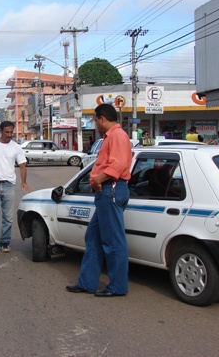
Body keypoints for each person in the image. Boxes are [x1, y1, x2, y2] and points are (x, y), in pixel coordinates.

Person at [66, 103, 132, 297]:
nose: (95, 124)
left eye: (95, 120)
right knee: (93, 238)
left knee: (113, 242)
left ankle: (118, 286)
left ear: (102, 118)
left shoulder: (118, 136)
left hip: (111, 190)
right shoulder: (110, 137)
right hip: (106, 193)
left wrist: (97, 179)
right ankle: (87, 282)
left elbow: (117, 166)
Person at [0, 121, 30, 255]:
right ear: (1, 131)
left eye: (11, 132)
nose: (9, 135)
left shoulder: (16, 147)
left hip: (9, 185)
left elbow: (22, 165)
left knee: (8, 217)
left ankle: (5, 243)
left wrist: (24, 181)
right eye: (7, 132)